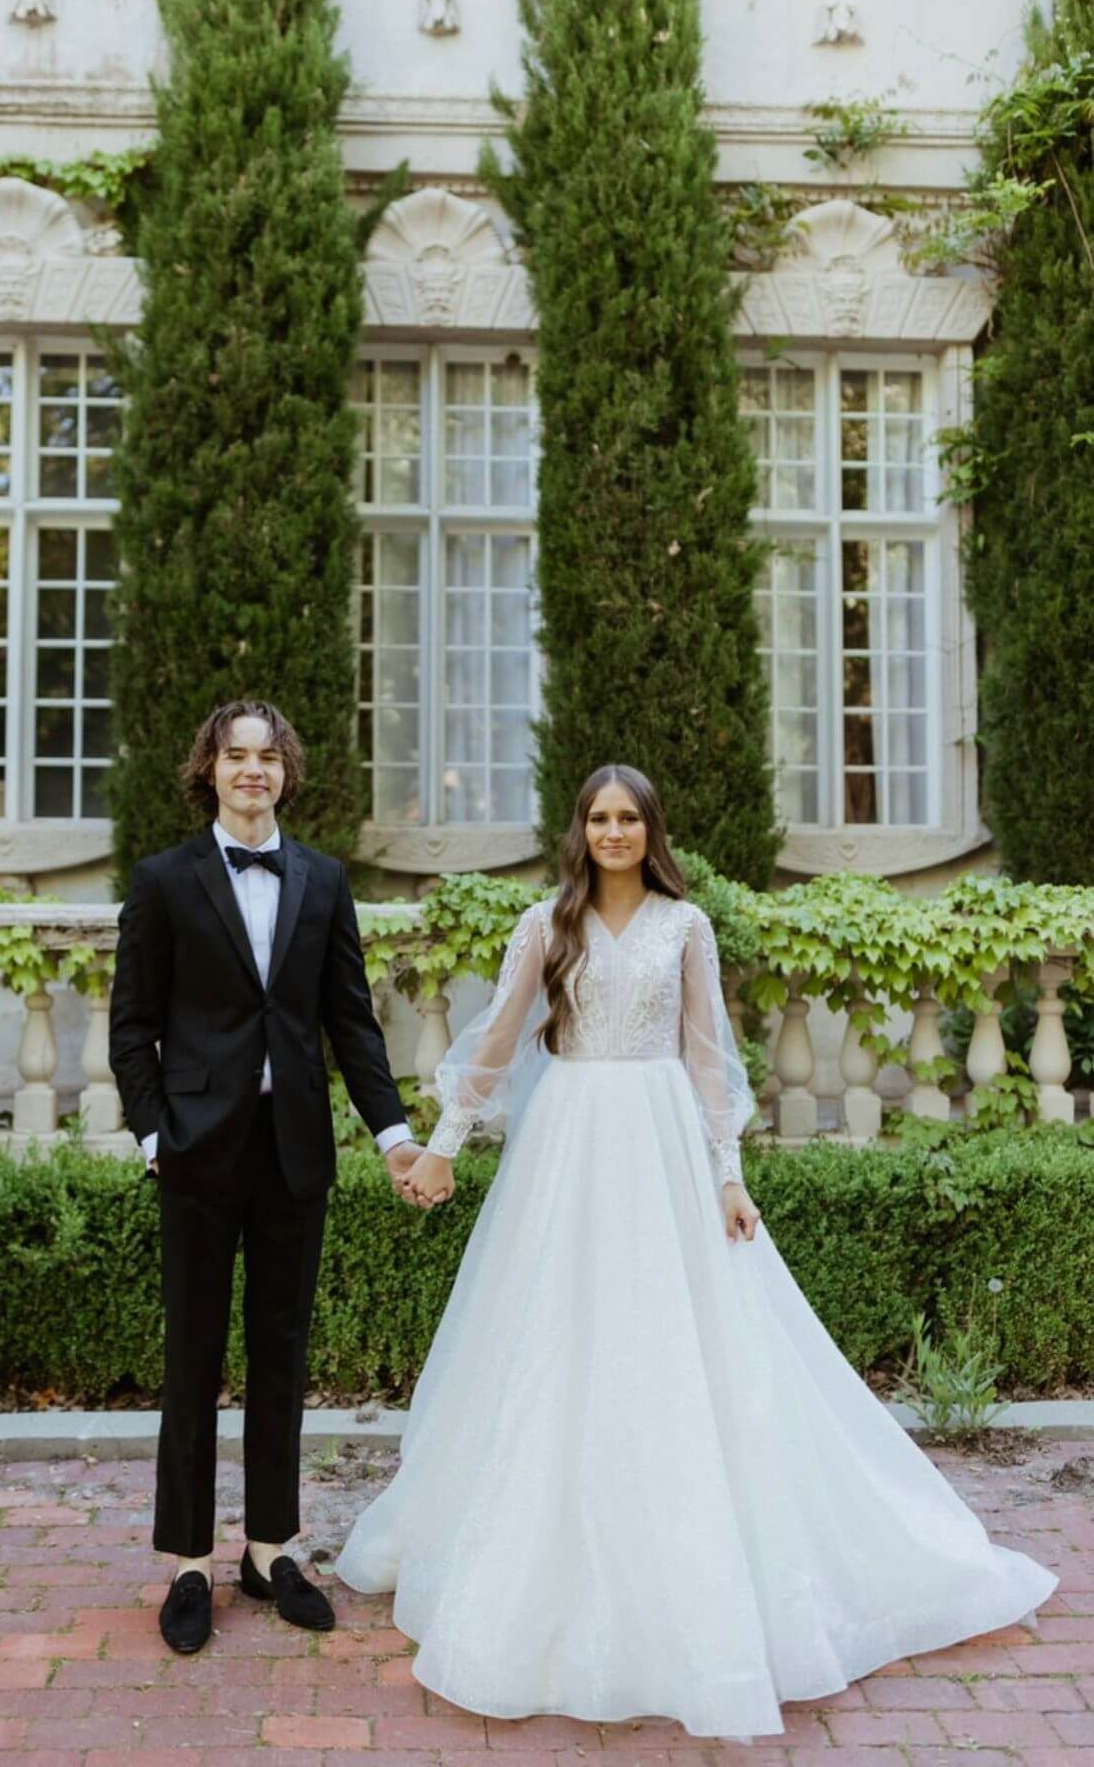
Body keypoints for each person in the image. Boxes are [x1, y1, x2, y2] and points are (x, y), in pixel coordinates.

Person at [336, 763, 1058, 1743]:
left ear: (651, 830)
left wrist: (727, 1175)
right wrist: (444, 1148)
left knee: (672, 1331)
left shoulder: (684, 927)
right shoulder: (544, 924)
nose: (614, 832)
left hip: (660, 1138)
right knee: (552, 1330)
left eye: (629, 818)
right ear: (580, 830)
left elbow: (706, 1054)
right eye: (599, 818)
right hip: (567, 1141)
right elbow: (499, 1039)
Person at [108, 699, 422, 1656]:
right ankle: (188, 1563)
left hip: (293, 1152)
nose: (253, 770)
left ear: (286, 771)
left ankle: (271, 1549)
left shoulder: (322, 880)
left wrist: (393, 1133)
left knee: (281, 1355)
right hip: (196, 1151)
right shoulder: (164, 881)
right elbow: (132, 1026)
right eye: (235, 755)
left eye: (268, 756)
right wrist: (154, 1137)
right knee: (193, 1357)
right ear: (209, 769)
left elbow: (350, 1021)